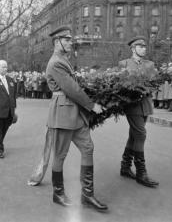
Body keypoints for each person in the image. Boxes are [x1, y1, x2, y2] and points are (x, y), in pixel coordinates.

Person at [44, 25, 107, 211]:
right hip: (62, 113)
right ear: (57, 42)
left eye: (70, 39)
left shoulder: (64, 60)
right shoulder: (56, 62)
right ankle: (58, 193)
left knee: (88, 148)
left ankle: (87, 194)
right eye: (67, 40)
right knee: (60, 155)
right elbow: (72, 89)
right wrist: (92, 105)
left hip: (75, 114)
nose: (71, 42)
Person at [119, 36, 159, 188]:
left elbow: (154, 83)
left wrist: (147, 89)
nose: (144, 49)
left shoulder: (150, 64)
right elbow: (121, 84)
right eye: (141, 47)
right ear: (133, 48)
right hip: (132, 105)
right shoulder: (124, 64)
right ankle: (141, 173)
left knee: (133, 135)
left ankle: (125, 166)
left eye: (144, 47)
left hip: (146, 104)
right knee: (141, 134)